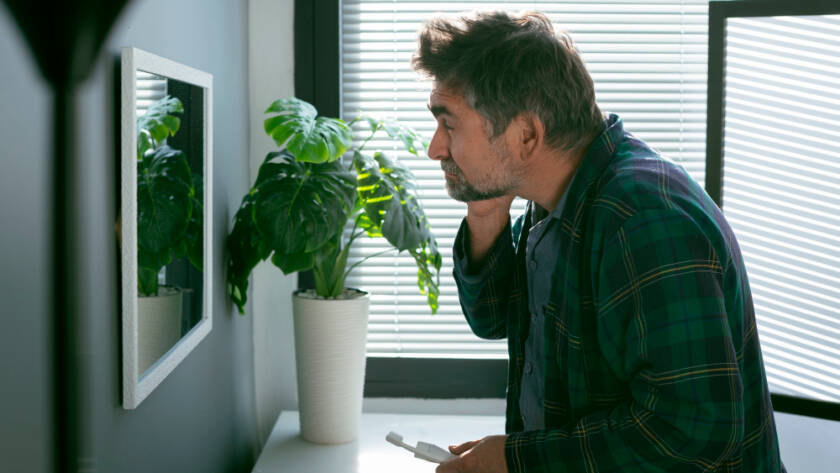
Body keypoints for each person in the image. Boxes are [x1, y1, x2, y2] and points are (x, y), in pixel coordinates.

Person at [412, 10, 786, 473]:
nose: (435, 148)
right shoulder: (553, 196)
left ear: (526, 134)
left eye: (449, 124)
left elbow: (692, 432)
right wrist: (487, 211)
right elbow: (492, 317)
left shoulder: (643, 219)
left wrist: (515, 459)